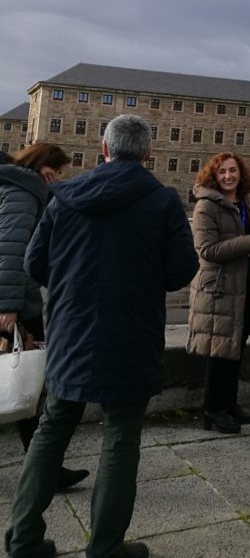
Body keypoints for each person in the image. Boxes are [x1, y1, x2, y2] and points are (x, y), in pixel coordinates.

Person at [5, 115, 199, 558]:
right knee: (121, 436)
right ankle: (105, 548)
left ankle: (23, 541)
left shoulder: (63, 196)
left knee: (51, 430)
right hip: (131, 334)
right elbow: (180, 271)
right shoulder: (162, 200)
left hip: (72, 331)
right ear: (148, 154)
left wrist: (73, 283)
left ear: (103, 149)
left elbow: (34, 264)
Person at [0, 143, 89, 492]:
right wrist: (7, 309)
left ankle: (44, 467)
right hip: (15, 305)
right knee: (29, 387)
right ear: (42, 164)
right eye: (55, 169)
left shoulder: (16, 185)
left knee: (28, 391)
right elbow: (10, 249)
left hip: (18, 301)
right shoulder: (23, 191)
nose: (57, 176)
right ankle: (45, 469)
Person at [186, 151, 250, 433]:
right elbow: (207, 250)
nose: (228, 176)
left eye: (233, 170)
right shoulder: (205, 207)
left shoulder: (243, 203)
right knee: (219, 353)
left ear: (240, 173)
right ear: (214, 174)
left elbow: (249, 240)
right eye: (222, 171)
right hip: (218, 290)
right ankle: (212, 409)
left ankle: (230, 403)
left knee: (237, 347)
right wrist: (248, 241)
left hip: (243, 288)